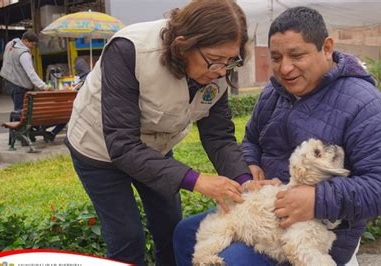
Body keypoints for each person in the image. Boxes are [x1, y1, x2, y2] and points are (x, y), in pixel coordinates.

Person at [173, 6, 381, 266]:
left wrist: (317, 200)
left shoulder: (364, 104)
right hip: (261, 215)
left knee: (234, 261)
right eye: (276, 58)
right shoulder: (272, 93)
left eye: (297, 55)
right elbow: (251, 139)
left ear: (327, 47)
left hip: (313, 232)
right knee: (185, 233)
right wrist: (250, 167)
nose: (285, 68)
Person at [65, 1, 276, 265]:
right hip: (99, 149)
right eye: (215, 61)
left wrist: (245, 181)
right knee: (127, 237)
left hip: (154, 149)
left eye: (230, 61)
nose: (222, 71)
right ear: (183, 44)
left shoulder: (220, 68)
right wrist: (197, 180)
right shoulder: (130, 50)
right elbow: (122, 145)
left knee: (171, 227)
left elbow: (219, 136)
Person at [0, 30, 51, 111]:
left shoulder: (10, 44)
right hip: (19, 85)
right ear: (25, 40)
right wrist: (44, 86)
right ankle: (19, 123)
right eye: (32, 44)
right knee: (22, 111)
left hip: (8, 81)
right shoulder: (24, 55)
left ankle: (17, 122)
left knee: (20, 110)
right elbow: (31, 74)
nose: (33, 47)